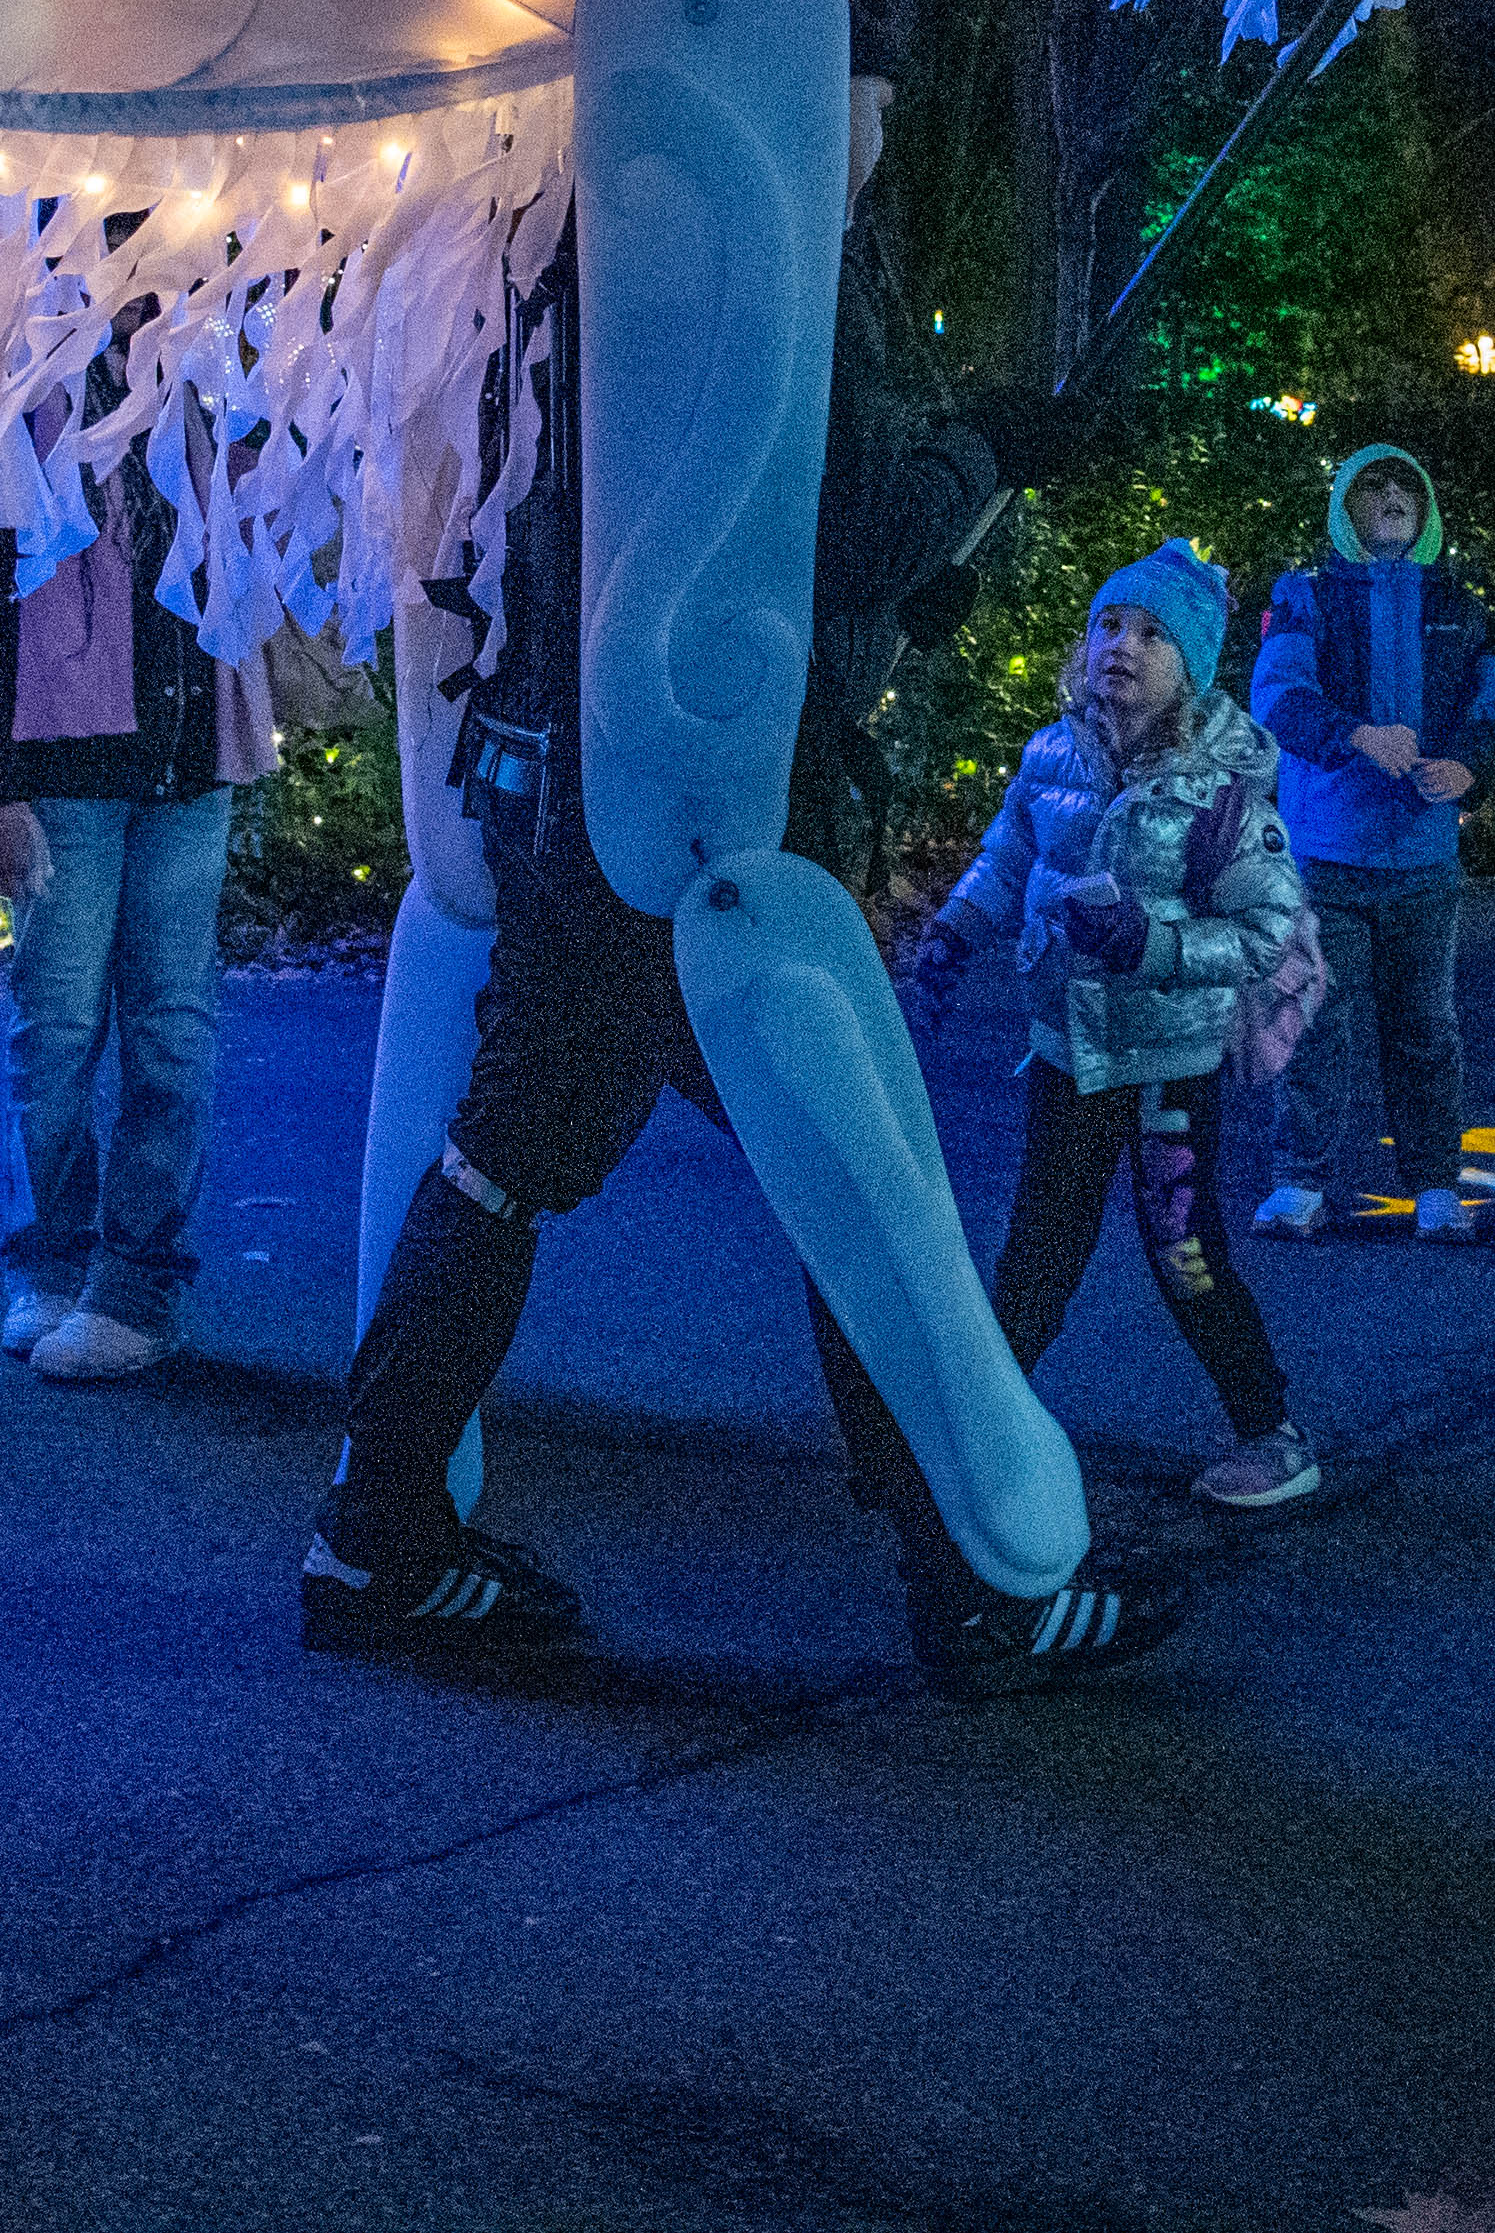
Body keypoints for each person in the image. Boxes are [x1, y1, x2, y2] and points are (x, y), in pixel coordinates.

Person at [304, 135, 1186, 1695]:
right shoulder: (743, 217)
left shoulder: (546, 231)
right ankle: (981, 1571)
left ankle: (375, 1533)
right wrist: (984, 448)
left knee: (511, 1153)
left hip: (561, 772)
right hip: (698, 803)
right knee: (843, 1157)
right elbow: (840, 515)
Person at [896, 548, 1322, 1513]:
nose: (1120, 647)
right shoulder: (1052, 756)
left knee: (1181, 1247)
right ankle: (984, 1431)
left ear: (1193, 665)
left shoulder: (1224, 791)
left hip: (1170, 1061)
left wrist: (1148, 940)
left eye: (1152, 633)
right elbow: (1006, 861)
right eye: (1107, 625)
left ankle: (1272, 1432)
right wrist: (956, 929)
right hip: (1068, 1051)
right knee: (1039, 1245)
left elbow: (1264, 931)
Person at [0, 298, 275, 1386]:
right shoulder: (7, 380)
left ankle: (135, 1284)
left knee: (172, 1030)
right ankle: (54, 1264)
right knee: (60, 1027)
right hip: (69, 766)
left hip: (190, 756)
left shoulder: (210, 365)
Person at [1243, 444, 1495, 1241]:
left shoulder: (1468, 607)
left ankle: (1434, 1184)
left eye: (1408, 484)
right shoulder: (1305, 598)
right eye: (1375, 485)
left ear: (1428, 508)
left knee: (1425, 1028)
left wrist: (1471, 765)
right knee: (1315, 1021)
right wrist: (1357, 736)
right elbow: (1280, 697)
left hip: (1423, 863)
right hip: (1325, 855)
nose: (1395, 494)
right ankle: (1300, 1181)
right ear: (1346, 507)